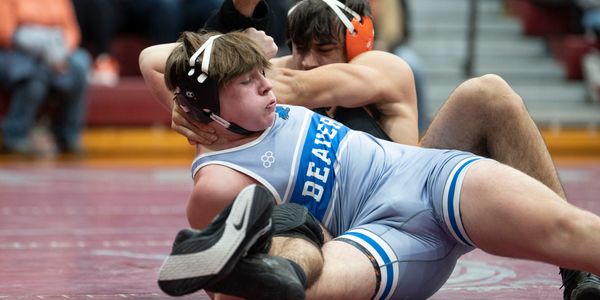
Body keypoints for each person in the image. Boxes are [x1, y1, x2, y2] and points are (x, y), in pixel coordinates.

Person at [138, 0, 600, 298]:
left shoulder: (373, 69)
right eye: (300, 49)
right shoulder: (246, 120)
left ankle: (581, 273)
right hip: (371, 235)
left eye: (323, 48)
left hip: (424, 175)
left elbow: (289, 82)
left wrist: (238, 61)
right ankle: (259, 260)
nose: (309, 60)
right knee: (300, 258)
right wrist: (199, 97)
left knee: (493, 97)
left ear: (355, 44)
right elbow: (154, 62)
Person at [0, 0, 91, 156]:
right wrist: (42, 48)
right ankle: (16, 134)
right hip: (18, 50)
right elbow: (6, 32)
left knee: (81, 64)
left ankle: (69, 135)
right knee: (33, 73)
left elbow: (72, 30)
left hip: (58, 49)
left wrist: (61, 52)